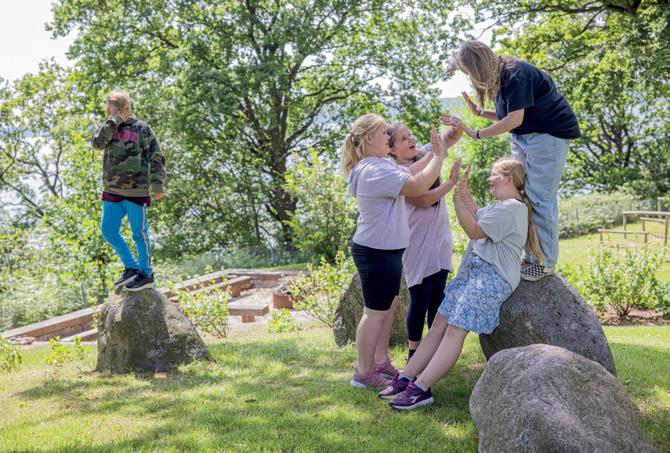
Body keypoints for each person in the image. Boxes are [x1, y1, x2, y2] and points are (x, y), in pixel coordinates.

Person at [378, 158, 544, 409]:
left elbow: (474, 229)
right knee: (439, 323)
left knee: (455, 330)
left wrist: (457, 203)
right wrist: (461, 189)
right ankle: (406, 376)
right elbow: (476, 214)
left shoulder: (513, 208)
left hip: (492, 277)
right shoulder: (501, 206)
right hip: (473, 275)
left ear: (508, 178)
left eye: (493, 175)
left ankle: (421, 388)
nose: (489, 180)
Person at [442, 40, 580, 281]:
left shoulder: (517, 74)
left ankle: (545, 262)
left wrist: (476, 133)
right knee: (521, 193)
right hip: (524, 136)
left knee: (539, 197)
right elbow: (510, 115)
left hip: (548, 136)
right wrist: (479, 113)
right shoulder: (501, 78)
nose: (470, 78)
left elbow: (515, 119)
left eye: (469, 72)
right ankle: (532, 255)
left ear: (478, 65)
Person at [342, 113, 450, 388]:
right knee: (374, 312)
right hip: (376, 251)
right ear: (369, 138)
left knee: (386, 308)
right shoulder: (373, 170)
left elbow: (410, 173)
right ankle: (363, 373)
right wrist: (438, 156)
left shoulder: (379, 165)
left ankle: (380, 362)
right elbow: (417, 185)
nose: (387, 137)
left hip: (386, 249)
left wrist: (435, 152)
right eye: (383, 133)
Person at [387, 122, 462, 362]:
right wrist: (450, 182)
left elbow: (451, 138)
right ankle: (414, 352)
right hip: (416, 241)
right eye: (403, 139)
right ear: (391, 150)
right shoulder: (396, 173)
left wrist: (456, 126)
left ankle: (433, 349)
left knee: (438, 295)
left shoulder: (423, 154)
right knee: (420, 297)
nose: (411, 139)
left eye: (410, 135)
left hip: (440, 237)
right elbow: (422, 201)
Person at [92, 89, 166, 291]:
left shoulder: (142, 128)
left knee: (139, 234)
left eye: (116, 108)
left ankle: (146, 273)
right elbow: (96, 143)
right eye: (110, 108)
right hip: (112, 191)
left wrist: (157, 183)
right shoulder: (108, 127)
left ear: (127, 108)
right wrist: (113, 122)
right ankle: (131, 268)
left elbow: (156, 156)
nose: (110, 110)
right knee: (108, 230)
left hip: (136, 192)